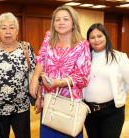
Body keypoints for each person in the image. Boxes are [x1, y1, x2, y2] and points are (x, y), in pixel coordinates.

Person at [30, 5, 91, 138]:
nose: (61, 22)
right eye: (57, 19)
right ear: (53, 23)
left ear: (73, 23)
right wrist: (35, 80)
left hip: (69, 104)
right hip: (49, 100)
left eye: (65, 19)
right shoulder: (49, 37)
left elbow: (83, 77)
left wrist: (59, 83)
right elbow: (41, 59)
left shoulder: (82, 45)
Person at [0, 12, 40, 138]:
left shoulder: (26, 47)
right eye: (4, 28)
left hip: (21, 107)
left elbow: (36, 73)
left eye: (11, 27)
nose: (8, 31)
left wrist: (39, 96)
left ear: (17, 30)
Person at [84, 23, 129, 138]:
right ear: (88, 40)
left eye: (99, 36)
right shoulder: (84, 58)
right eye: (92, 37)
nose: (96, 40)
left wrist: (119, 93)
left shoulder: (119, 57)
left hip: (112, 112)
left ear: (106, 37)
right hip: (88, 112)